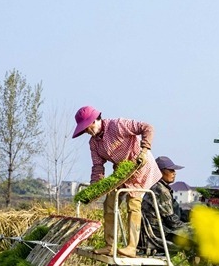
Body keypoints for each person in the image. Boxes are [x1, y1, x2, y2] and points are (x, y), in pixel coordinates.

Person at [72, 106, 160, 257]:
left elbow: (147, 127)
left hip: (140, 166)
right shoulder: (94, 143)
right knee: (109, 203)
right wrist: (95, 188)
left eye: (87, 127)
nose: (87, 131)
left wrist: (144, 150)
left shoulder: (117, 125)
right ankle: (109, 245)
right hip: (120, 172)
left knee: (133, 203)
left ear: (95, 120)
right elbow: (97, 167)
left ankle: (131, 247)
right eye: (84, 130)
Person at [140, 155, 190, 252]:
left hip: (158, 231)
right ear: (160, 172)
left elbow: (177, 211)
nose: (174, 173)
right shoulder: (161, 190)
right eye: (171, 170)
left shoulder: (157, 187)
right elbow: (171, 220)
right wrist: (189, 228)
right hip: (159, 234)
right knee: (197, 238)